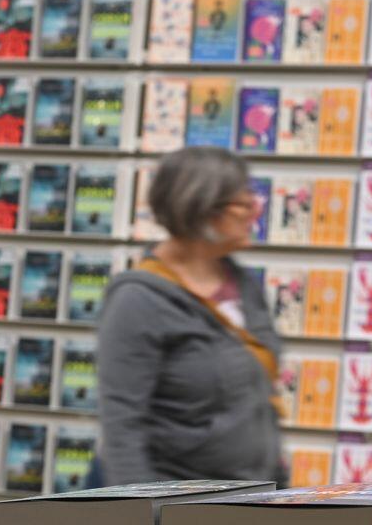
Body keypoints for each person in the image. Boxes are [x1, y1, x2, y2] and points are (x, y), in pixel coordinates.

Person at [96, 148, 283, 486]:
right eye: (244, 205)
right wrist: (143, 515)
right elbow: (122, 431)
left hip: (246, 496)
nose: (255, 214)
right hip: (177, 503)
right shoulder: (137, 300)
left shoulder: (243, 285)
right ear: (202, 208)